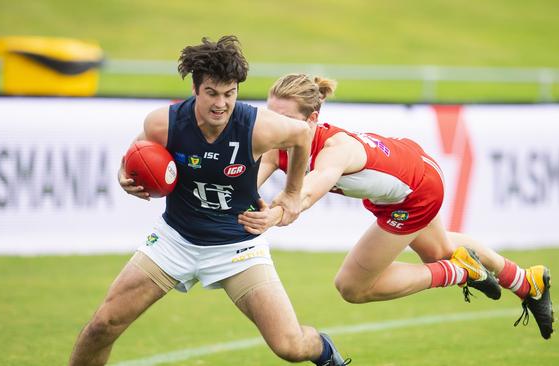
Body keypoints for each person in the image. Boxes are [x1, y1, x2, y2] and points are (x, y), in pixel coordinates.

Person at [69, 37, 350, 366]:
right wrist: (124, 172)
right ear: (195, 89)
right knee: (103, 325)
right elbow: (138, 149)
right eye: (212, 93)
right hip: (174, 240)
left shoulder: (258, 127)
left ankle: (327, 354)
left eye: (230, 94)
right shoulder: (165, 123)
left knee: (290, 346)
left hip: (238, 248)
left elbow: (303, 135)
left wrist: (290, 194)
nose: (221, 104)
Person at [238, 73, 554, 340]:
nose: (278, 126)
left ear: (312, 120)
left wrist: (273, 215)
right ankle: (528, 281)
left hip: (417, 189)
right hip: (405, 172)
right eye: (272, 115)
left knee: (352, 287)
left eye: (287, 119)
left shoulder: (335, 149)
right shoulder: (278, 145)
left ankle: (459, 271)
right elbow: (244, 186)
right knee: (439, 250)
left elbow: (304, 196)